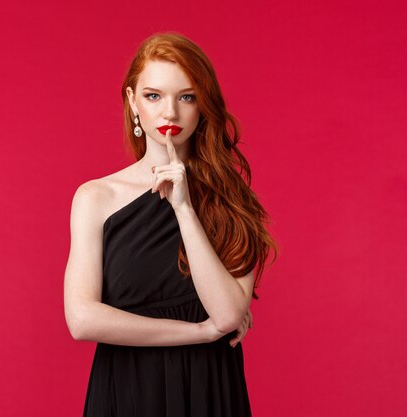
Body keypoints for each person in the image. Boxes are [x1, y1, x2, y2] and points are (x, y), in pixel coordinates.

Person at [63, 31, 278, 417]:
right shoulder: (96, 197)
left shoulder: (233, 201)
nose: (170, 114)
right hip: (127, 391)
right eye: (153, 96)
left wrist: (184, 207)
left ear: (203, 105)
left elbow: (228, 315)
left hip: (209, 389)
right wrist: (198, 333)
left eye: (187, 97)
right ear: (132, 102)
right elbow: (81, 319)